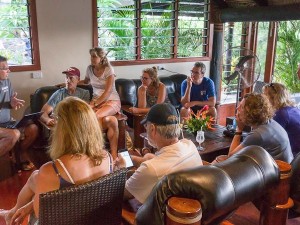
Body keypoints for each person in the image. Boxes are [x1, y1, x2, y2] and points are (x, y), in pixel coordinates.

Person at [0, 97, 114, 225]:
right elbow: (82, 194)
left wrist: (31, 206)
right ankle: (12, 213)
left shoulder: (52, 170)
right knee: (35, 177)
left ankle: (12, 214)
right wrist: (29, 205)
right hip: (92, 217)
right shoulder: (107, 157)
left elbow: (41, 214)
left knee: (38, 179)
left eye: (56, 119)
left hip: (68, 217)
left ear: (63, 130)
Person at [123, 103, 202, 204]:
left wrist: (120, 169)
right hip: (189, 208)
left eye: (146, 126)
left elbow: (123, 194)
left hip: (160, 216)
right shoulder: (189, 145)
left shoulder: (151, 169)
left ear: (152, 129)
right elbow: (167, 161)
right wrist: (136, 160)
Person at [39, 66, 119, 159]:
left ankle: (113, 156)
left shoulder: (84, 93)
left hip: (81, 125)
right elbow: (42, 113)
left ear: (78, 80)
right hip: (64, 125)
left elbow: (84, 113)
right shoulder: (58, 94)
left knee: (112, 120)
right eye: (66, 77)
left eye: (71, 78)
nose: (68, 80)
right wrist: (48, 120)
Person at [228, 93, 293, 163]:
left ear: (250, 112)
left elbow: (231, 157)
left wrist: (239, 129)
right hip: (287, 165)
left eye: (241, 107)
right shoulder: (270, 122)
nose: (237, 108)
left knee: (221, 161)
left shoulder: (258, 134)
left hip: (280, 172)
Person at [0, 55, 37, 171]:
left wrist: (12, 103)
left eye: (8, 67)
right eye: (5, 68)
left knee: (33, 128)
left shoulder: (7, 82)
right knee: (14, 134)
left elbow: (8, 103)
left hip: (7, 122)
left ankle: (18, 156)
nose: (8, 71)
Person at [81, 47, 121, 118]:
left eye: (94, 57)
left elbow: (108, 91)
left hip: (111, 100)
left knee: (97, 116)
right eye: (91, 56)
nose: (92, 58)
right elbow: (85, 82)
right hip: (96, 100)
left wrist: (94, 104)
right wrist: (68, 83)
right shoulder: (89, 69)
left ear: (101, 58)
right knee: (85, 116)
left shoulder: (108, 69)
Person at [263, 83, 300, 156]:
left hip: (293, 156)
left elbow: (270, 140)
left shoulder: (280, 114)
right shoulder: (294, 109)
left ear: (272, 97)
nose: (263, 98)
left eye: (264, 95)